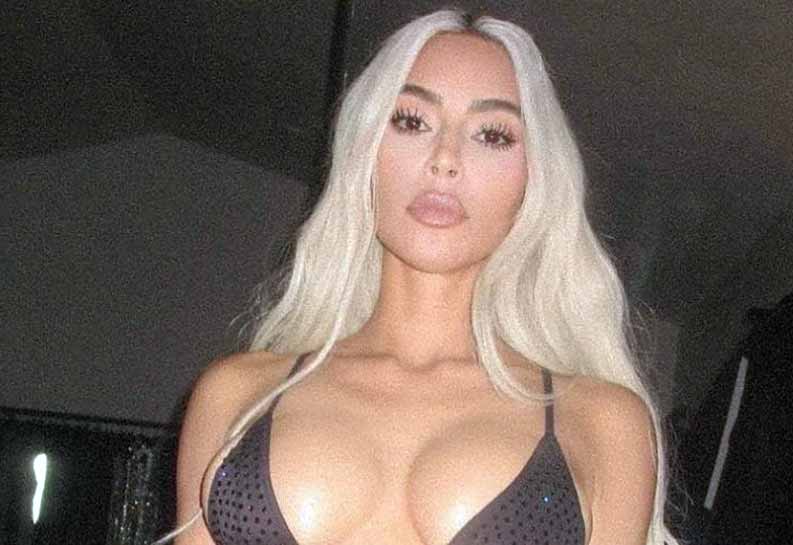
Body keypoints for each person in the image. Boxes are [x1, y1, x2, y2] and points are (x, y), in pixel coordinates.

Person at [158, 9, 676, 545]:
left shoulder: (600, 421)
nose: (444, 159)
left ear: (534, 179)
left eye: (492, 135)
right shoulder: (237, 395)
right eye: (411, 121)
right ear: (363, 152)